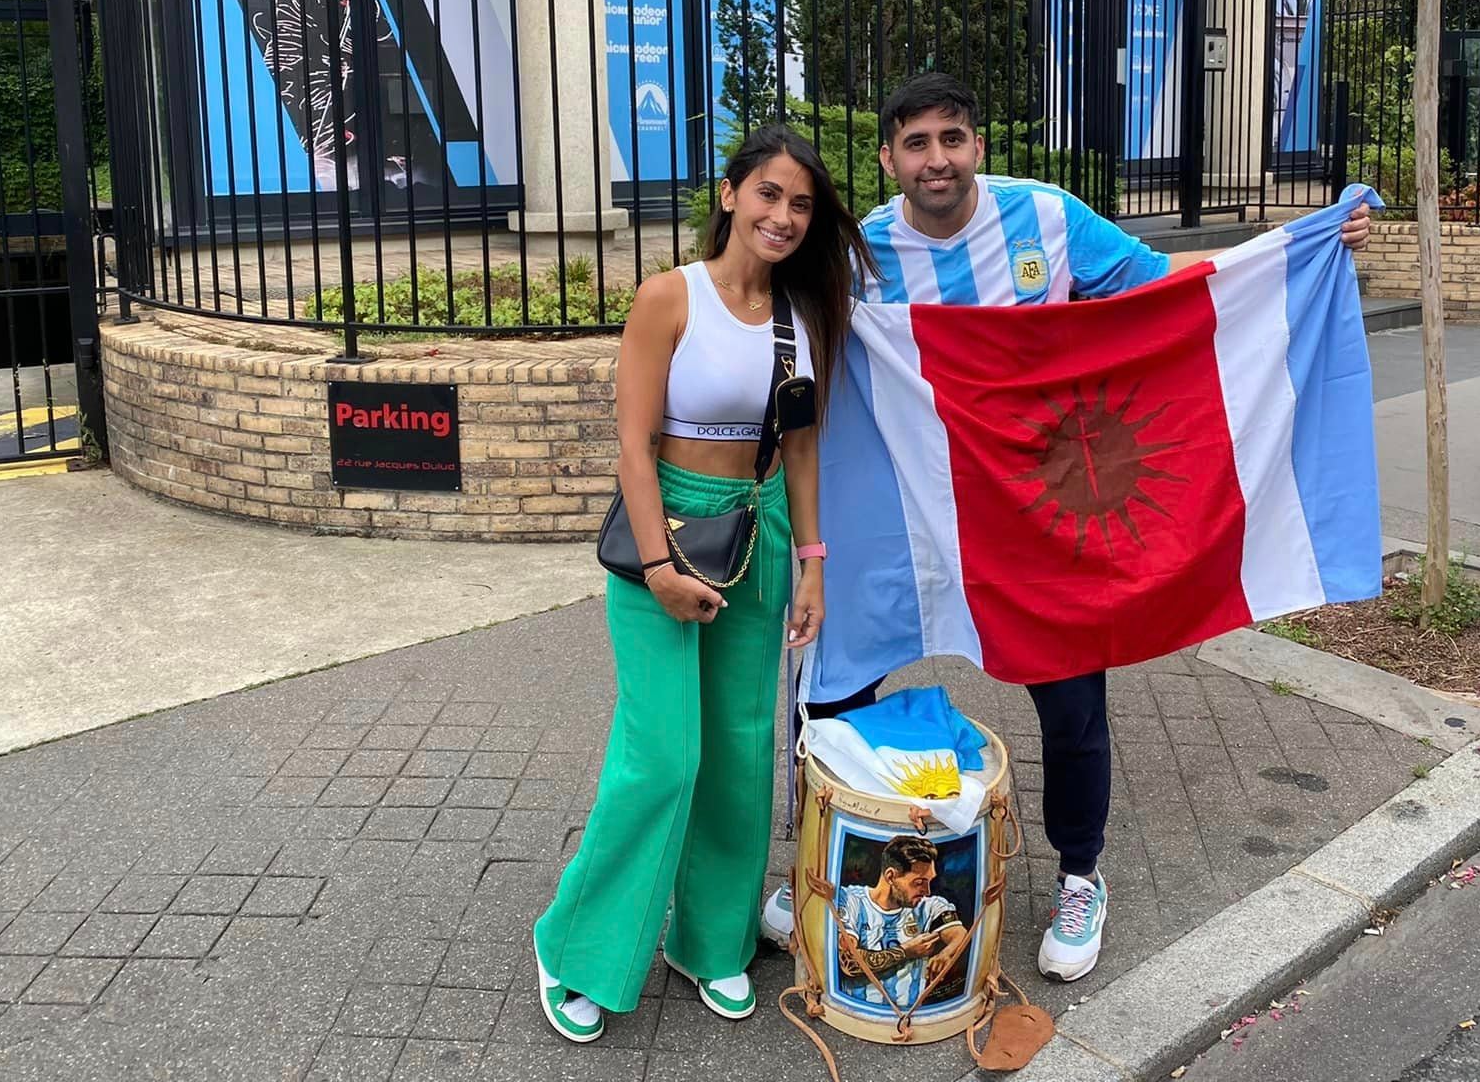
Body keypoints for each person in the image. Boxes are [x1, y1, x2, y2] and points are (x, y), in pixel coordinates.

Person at [763, 72, 1374, 982]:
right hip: (903, 503)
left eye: (954, 137)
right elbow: (760, 303)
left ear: (978, 145)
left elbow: (1168, 288)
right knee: (833, 683)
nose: (939, 158)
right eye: (918, 143)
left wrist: (1298, 244)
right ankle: (821, 858)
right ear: (889, 158)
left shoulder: (1045, 218)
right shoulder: (858, 253)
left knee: (1072, 700)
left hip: (1036, 512)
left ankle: (1083, 872)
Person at [533, 125, 877, 1043]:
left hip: (761, 531)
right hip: (671, 526)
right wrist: (656, 567)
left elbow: (801, 449)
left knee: (736, 749)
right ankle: (576, 945)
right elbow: (632, 449)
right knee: (663, 755)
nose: (784, 216)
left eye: (802, 204)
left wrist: (812, 564)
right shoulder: (668, 298)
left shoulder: (802, 317)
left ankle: (708, 939)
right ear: (729, 195)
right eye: (769, 195)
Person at [833, 835, 971, 1011]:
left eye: (930, 882)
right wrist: (906, 952)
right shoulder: (851, 900)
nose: (926, 891)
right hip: (854, 1011)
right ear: (891, 876)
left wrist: (947, 953)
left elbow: (959, 933)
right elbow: (848, 962)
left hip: (912, 1012)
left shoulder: (929, 905)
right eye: (919, 882)